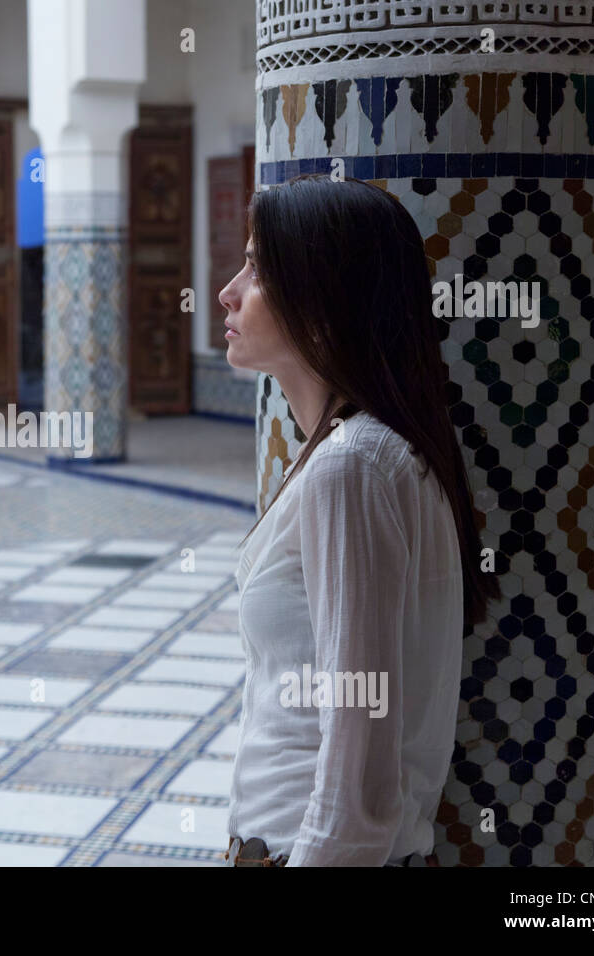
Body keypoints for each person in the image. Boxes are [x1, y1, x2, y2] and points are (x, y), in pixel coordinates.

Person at [217, 174, 501, 867]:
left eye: (257, 268)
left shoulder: (354, 468)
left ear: (320, 306)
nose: (228, 290)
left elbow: (362, 769)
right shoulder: (357, 456)